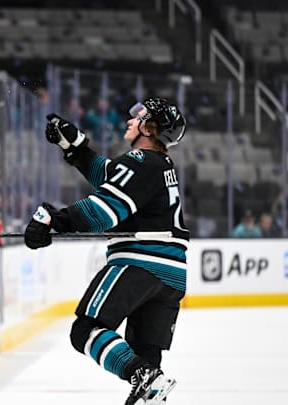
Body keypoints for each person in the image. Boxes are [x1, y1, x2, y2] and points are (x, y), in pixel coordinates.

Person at [24, 98, 188, 405]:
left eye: (139, 117)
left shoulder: (140, 160)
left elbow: (103, 211)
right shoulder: (158, 165)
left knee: (86, 330)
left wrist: (53, 220)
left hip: (140, 264)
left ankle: (143, 374)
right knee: (146, 357)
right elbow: (115, 179)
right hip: (172, 276)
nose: (130, 120)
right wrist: (77, 149)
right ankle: (148, 377)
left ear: (150, 128)